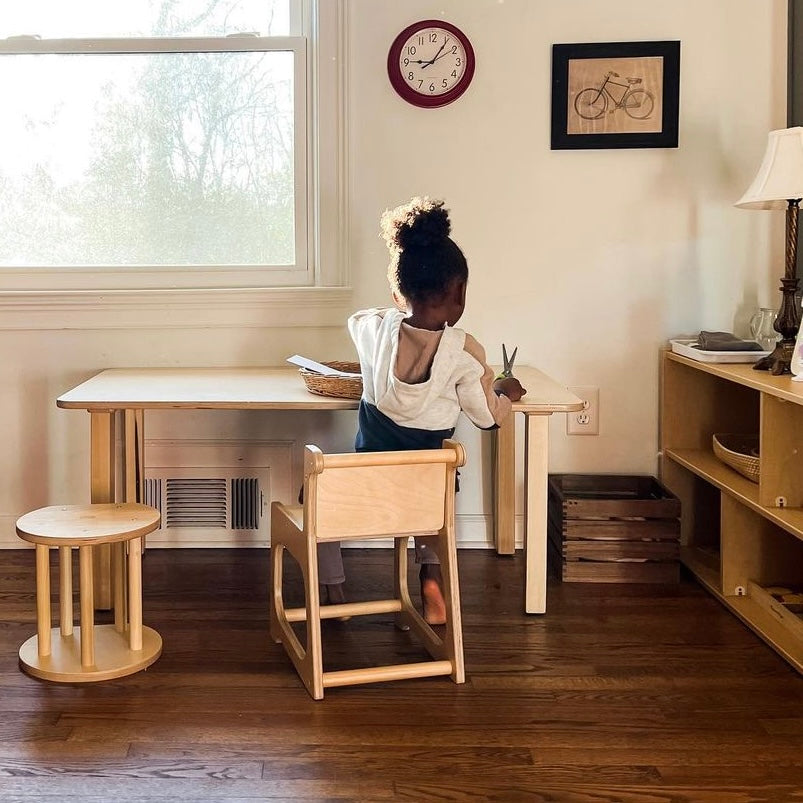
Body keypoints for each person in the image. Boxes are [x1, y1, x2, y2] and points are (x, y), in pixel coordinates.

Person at [318, 196, 526, 624]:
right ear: (461, 292)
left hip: (367, 491)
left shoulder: (374, 329)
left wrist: (395, 308)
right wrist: (505, 392)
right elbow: (488, 418)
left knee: (315, 495)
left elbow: (359, 319)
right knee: (436, 493)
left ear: (397, 292)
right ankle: (431, 579)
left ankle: (335, 588)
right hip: (425, 497)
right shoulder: (464, 353)